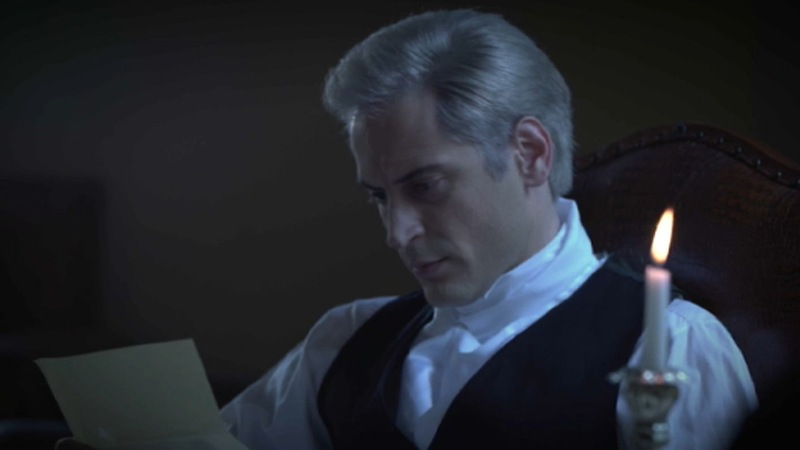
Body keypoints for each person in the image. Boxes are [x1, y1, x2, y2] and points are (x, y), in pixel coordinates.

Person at [55, 7, 758, 450]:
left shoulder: (673, 351)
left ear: (529, 154)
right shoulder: (344, 341)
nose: (398, 233)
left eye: (425, 186)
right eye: (379, 198)